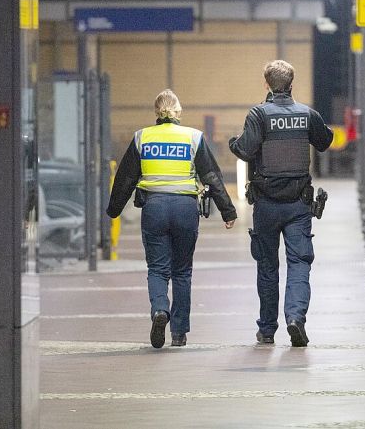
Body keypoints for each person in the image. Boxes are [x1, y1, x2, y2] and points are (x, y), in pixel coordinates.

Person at [107, 89, 237, 348]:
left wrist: (114, 210)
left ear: (156, 112)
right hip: (185, 208)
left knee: (157, 269)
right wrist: (228, 210)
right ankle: (179, 333)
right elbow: (211, 176)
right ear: (178, 112)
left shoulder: (142, 137)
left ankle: (159, 311)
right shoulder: (193, 137)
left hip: (154, 208)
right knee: (182, 271)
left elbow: (125, 179)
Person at [229, 60, 333, 347]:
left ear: (266, 84)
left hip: (266, 203)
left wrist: (232, 143)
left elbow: (245, 150)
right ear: (292, 83)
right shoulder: (306, 114)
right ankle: (295, 318)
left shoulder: (259, 114)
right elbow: (325, 141)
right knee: (299, 262)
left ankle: (267, 330)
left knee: (267, 265)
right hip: (299, 205)